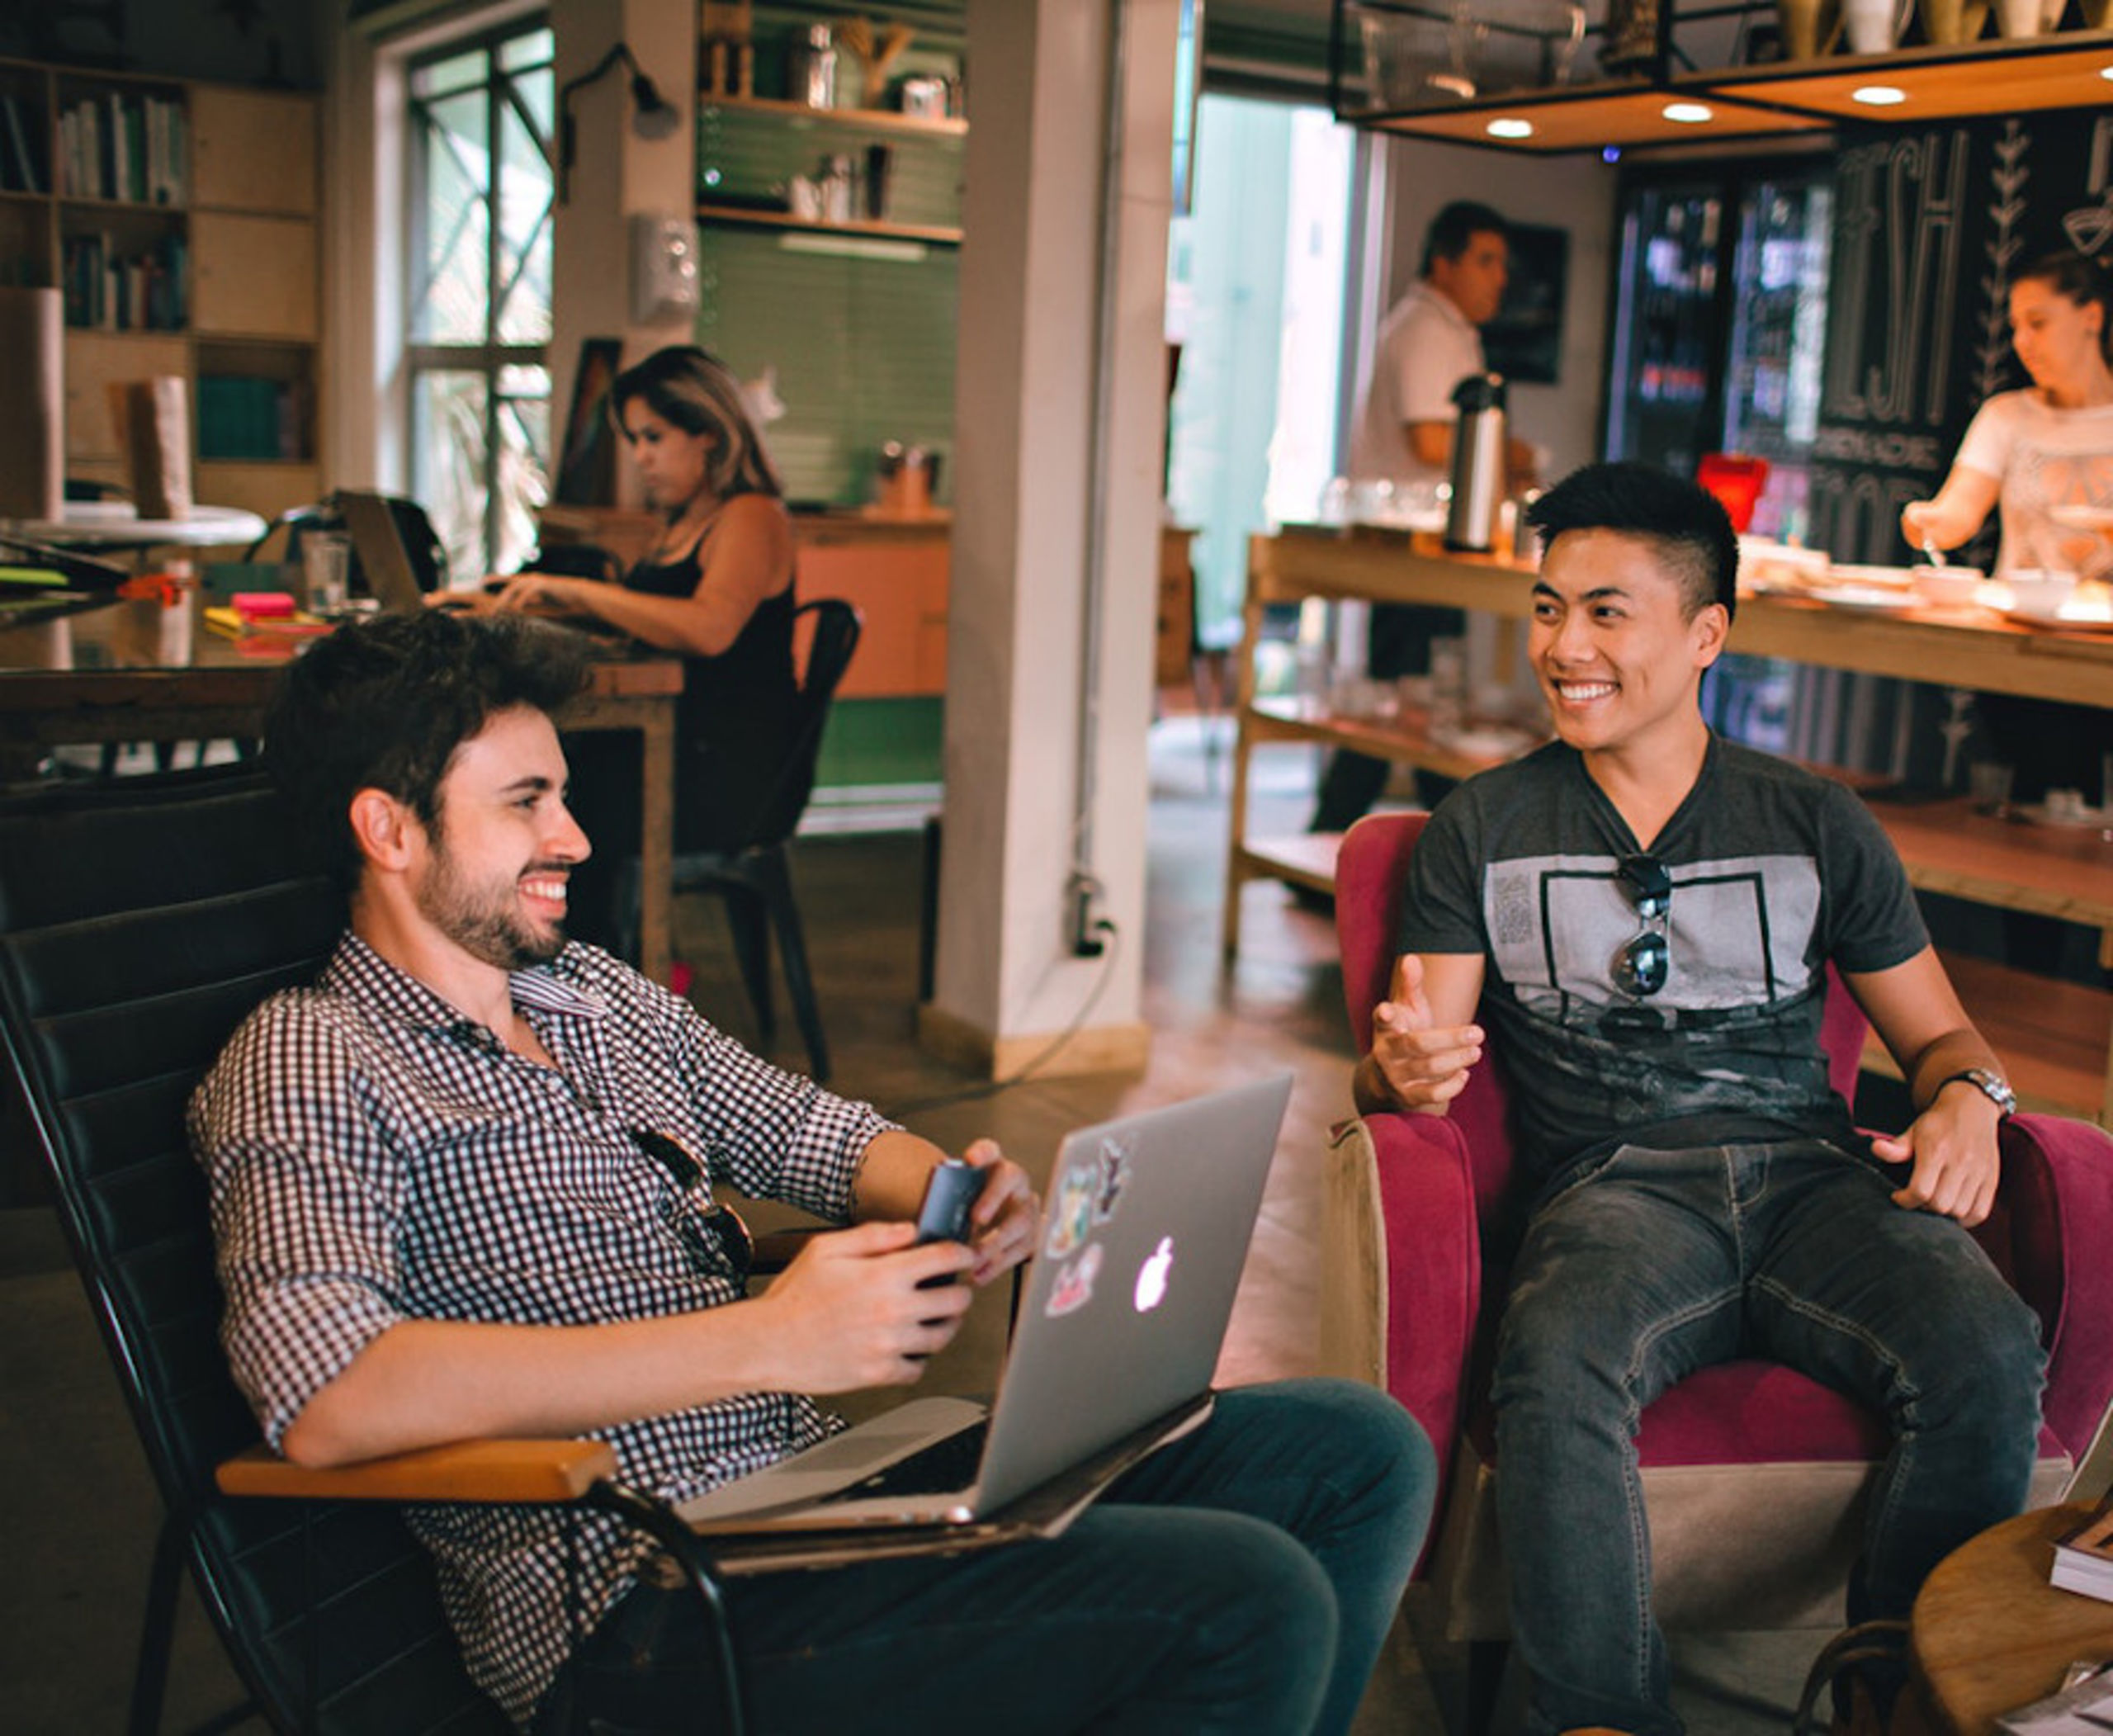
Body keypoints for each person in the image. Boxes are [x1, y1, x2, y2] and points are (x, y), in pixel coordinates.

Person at [189, 608, 1436, 1736]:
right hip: (644, 1603)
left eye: (563, 792)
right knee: (1242, 1599)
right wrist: (768, 1341)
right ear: (388, 826)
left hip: (817, 1501)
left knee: (1357, 1449)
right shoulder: (311, 1053)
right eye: (525, 800)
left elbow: (816, 1133)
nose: (573, 833)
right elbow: (327, 1391)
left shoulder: (589, 996)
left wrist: (953, 1193)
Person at [1354, 461, 2044, 1736]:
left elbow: (1943, 1033)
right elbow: (1417, 1046)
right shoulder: (1483, 825)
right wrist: (1395, 1071)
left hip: (1815, 1179)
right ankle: (1602, 1717)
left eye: (1606, 612)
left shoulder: (1815, 820)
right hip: (1614, 1189)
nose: (1565, 648)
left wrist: (1972, 1099)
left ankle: (1892, 1697)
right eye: (1549, 608)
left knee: (1987, 1344)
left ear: (1706, 632)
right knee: (1556, 1359)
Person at [491, 345, 801, 951]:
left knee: (548, 799)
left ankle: (581, 979)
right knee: (538, 781)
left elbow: (708, 627)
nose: (642, 457)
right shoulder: (684, 520)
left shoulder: (752, 516)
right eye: (635, 439)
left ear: (709, 433)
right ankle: (554, 972)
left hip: (723, 770)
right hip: (678, 743)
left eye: (653, 437)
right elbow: (652, 620)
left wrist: (575, 591)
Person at [1311, 200, 1542, 838]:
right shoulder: (1424, 330)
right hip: (1411, 550)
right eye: (1485, 260)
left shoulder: (1447, 330)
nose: (1499, 277)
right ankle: (1341, 843)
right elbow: (1432, 441)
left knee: (1420, 703)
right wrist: (1514, 451)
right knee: (1407, 707)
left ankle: (1436, 844)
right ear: (1443, 263)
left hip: (1433, 551)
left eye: (1502, 264)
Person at [1900, 248, 2113, 807]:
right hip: (2018, 645)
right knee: (2017, 812)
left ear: (2091, 315)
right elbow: (1956, 515)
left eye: (2039, 323)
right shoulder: (2006, 415)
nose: (2023, 341)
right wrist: (1928, 521)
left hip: (2104, 652)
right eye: (2017, 326)